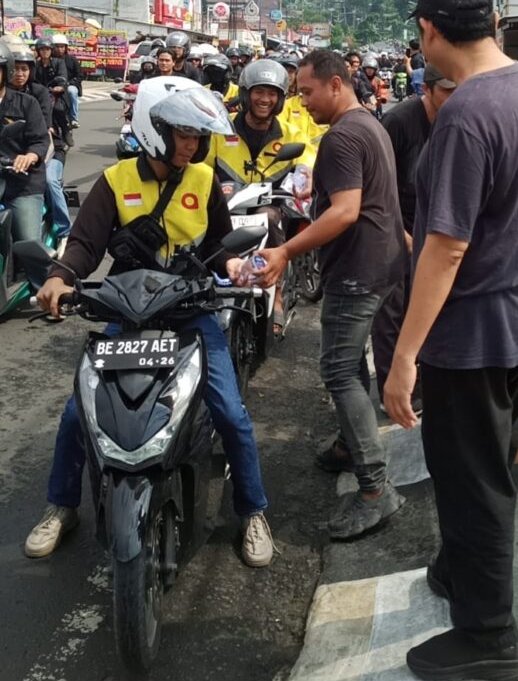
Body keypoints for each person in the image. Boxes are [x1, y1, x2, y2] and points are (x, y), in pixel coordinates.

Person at [384, 0, 518, 681]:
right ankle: (459, 571)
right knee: (485, 466)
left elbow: (446, 245)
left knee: (472, 481)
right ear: (491, 20)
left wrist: (403, 356)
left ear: (429, 29)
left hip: (474, 333)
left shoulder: (464, 113)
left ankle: (491, 633)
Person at [24, 79, 274, 567]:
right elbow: (85, 243)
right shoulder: (116, 180)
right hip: (127, 312)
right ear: (155, 130)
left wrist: (237, 268)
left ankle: (253, 512)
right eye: (184, 135)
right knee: (80, 413)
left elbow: (220, 246)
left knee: (231, 413)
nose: (193, 146)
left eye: (198, 137)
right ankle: (61, 506)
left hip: (190, 310)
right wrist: (59, 277)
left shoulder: (203, 181)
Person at [256, 50, 405, 539]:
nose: (303, 102)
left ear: (336, 84)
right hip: (381, 265)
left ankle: (374, 490)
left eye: (307, 91)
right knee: (352, 365)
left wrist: (284, 253)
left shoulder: (343, 136)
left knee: (339, 370)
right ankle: (349, 442)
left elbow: (344, 212)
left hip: (360, 269)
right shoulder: (369, 125)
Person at [206, 60, 316, 336]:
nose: (264, 99)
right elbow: (201, 167)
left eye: (272, 93)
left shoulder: (290, 133)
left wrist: (303, 176)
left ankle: (275, 290)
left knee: (270, 217)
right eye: (258, 92)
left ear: (280, 98)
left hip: (271, 207)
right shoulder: (221, 130)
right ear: (245, 93)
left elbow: (306, 160)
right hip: (226, 208)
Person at [371, 65, 456, 401]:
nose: (454, 98)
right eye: (447, 91)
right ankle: (392, 393)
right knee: (391, 317)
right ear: (428, 91)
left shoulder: (457, 122)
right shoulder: (399, 122)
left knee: (426, 311)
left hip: (432, 234)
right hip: (394, 232)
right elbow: (378, 188)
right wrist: (404, 237)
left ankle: (421, 385)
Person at [11, 49, 71, 253]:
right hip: (10, 160)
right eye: (15, 69)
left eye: (23, 69)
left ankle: (64, 232)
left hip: (48, 149)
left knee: (49, 181)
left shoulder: (37, 94)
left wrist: (31, 156)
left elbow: (44, 132)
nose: (19, 73)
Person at [0, 42, 50, 242]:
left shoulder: (28, 103)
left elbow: (40, 140)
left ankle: (43, 274)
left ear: (6, 70)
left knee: (29, 243)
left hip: (22, 183)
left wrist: (29, 156)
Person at [51, 34, 83, 127]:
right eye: (57, 46)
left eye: (62, 47)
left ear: (66, 47)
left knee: (72, 91)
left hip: (69, 85)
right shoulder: (49, 60)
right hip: (54, 85)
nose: (60, 49)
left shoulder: (71, 59)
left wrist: (69, 83)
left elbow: (80, 75)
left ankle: (74, 118)